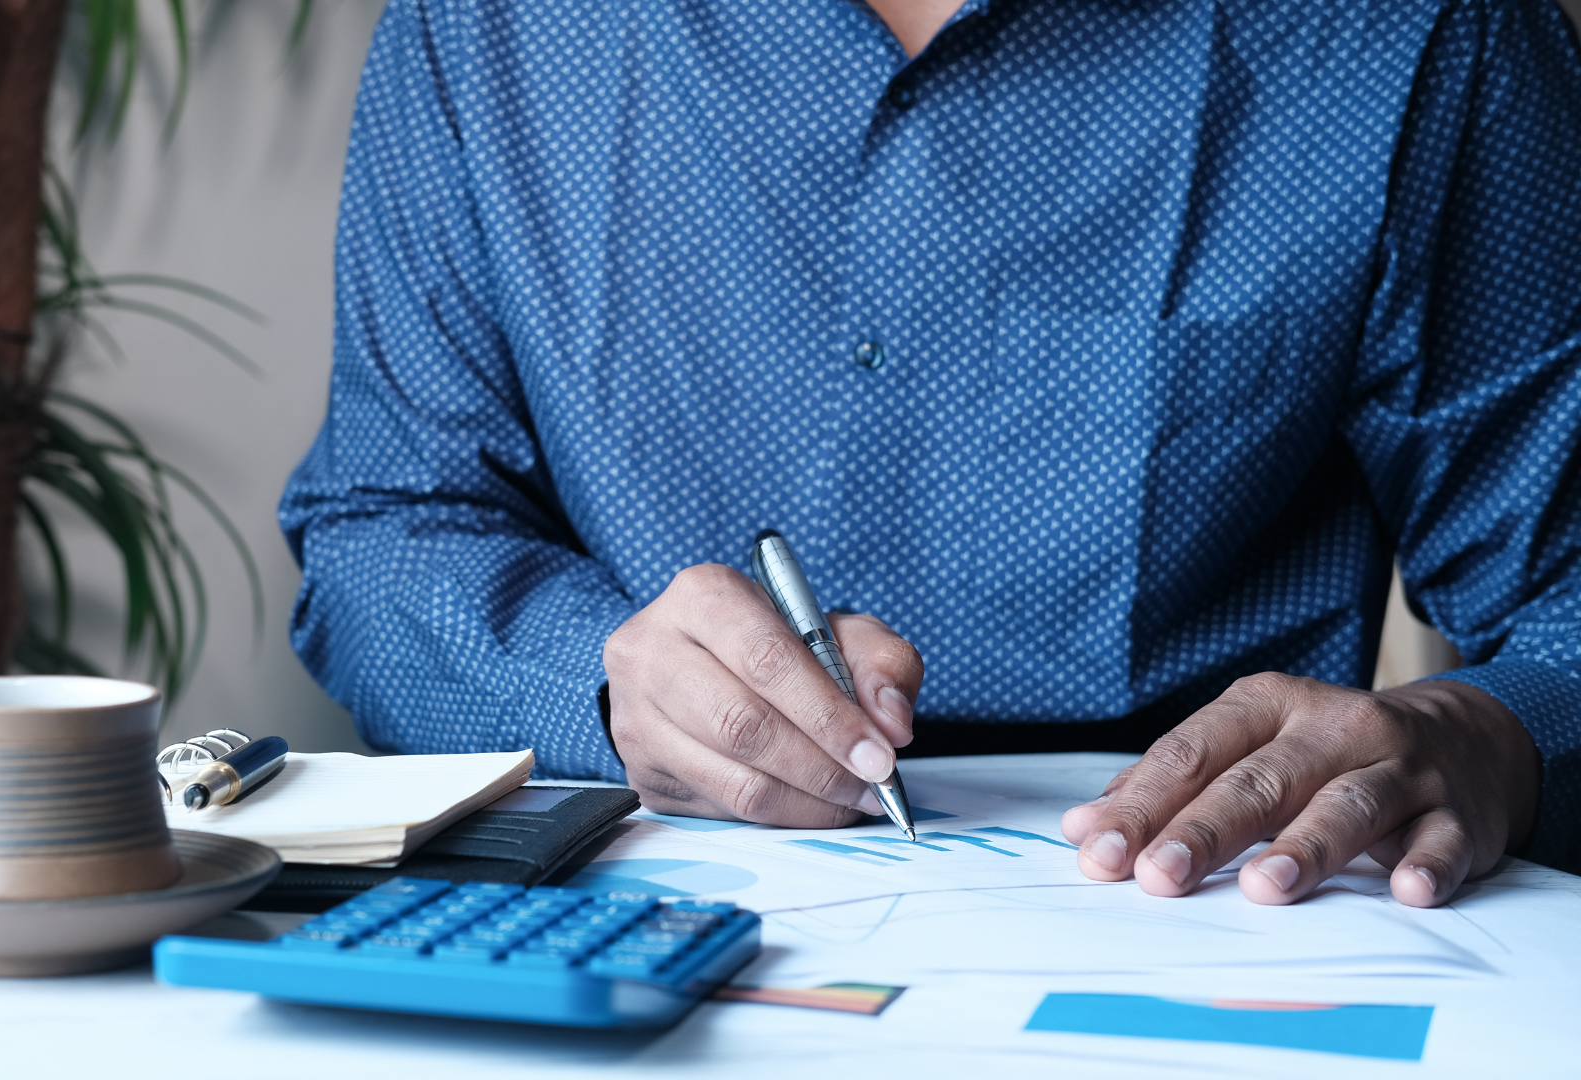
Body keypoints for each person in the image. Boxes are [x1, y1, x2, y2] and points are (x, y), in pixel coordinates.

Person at [279, 0, 1581, 908]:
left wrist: (1489, 734)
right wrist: (602, 687)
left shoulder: (1422, 32)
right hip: (629, 932)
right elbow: (382, 531)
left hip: (1201, 927)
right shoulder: (486, 27)